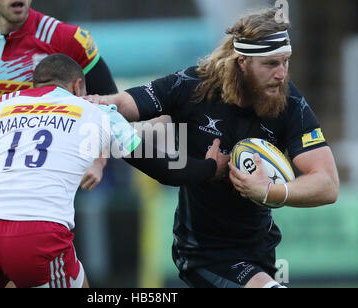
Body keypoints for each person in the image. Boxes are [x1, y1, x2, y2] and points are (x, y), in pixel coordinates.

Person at [0, 54, 229, 288]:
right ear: (78, 85)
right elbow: (166, 170)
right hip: (37, 233)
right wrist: (210, 167)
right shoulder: (96, 111)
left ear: (34, 85)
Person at [86, 8, 340, 288]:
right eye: (270, 64)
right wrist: (92, 106)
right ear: (242, 62)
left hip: (259, 249)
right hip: (203, 252)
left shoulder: (290, 103)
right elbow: (122, 105)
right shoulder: (193, 86)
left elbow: (328, 184)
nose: (281, 75)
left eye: (285, 62)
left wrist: (269, 191)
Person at [0, 0, 117, 208]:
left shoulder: (63, 37)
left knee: (42, 240)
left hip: (45, 176)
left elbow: (110, 103)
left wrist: (98, 158)